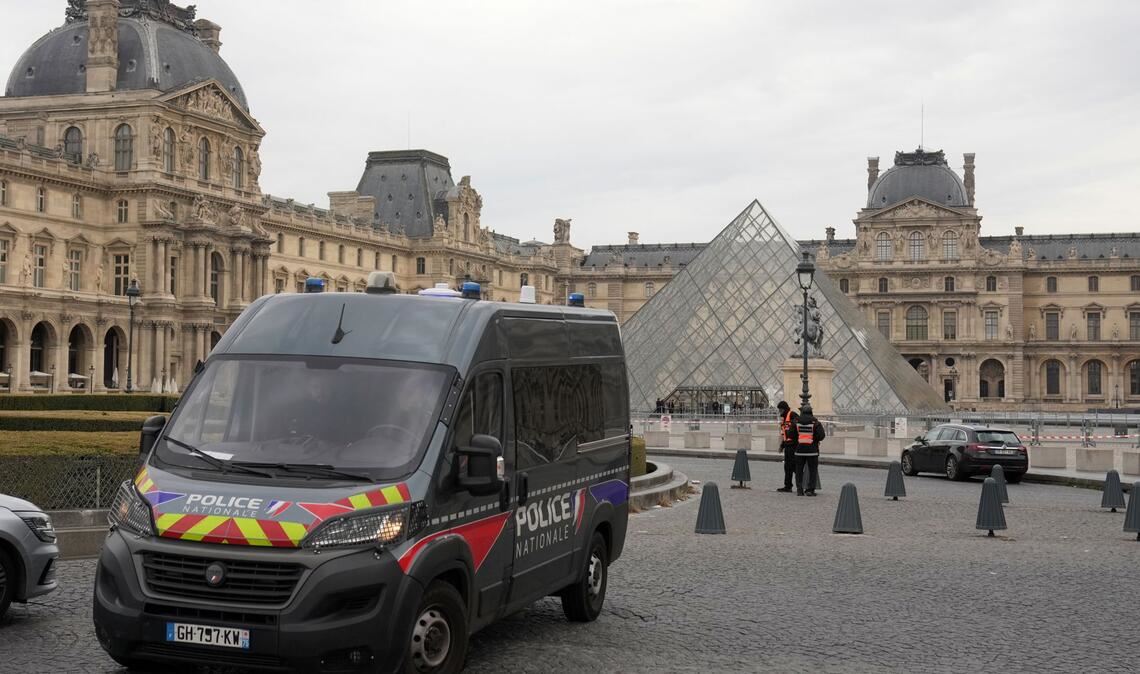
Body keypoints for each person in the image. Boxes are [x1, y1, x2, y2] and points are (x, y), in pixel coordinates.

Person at [794, 405, 826, 496]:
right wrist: (815, 440)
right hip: (812, 450)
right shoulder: (815, 422)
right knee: (813, 471)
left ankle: (799, 489)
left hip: (799, 450)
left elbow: (791, 434)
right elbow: (821, 436)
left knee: (799, 471)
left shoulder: (796, 421)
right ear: (811, 411)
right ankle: (810, 490)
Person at [775, 401, 799, 493]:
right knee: (787, 467)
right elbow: (785, 434)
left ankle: (801, 485)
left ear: (784, 409)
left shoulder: (792, 415)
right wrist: (782, 446)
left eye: (780, 409)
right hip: (788, 446)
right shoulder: (784, 419)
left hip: (794, 445)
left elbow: (797, 429)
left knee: (794, 467)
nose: (779, 411)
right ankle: (788, 486)